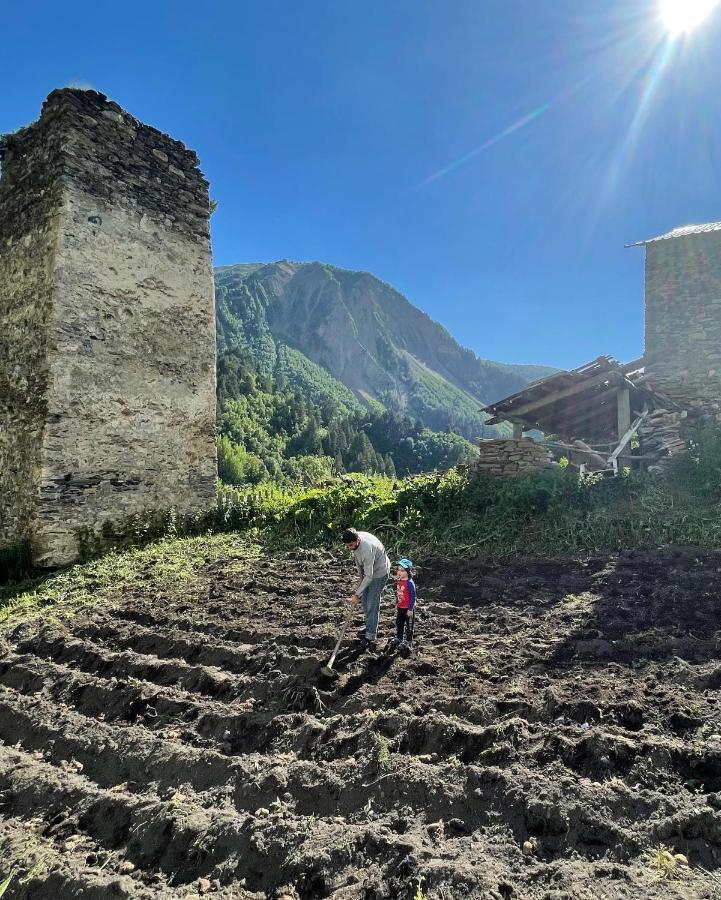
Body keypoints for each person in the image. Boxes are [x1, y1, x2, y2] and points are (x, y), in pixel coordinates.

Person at [341, 527, 390, 646]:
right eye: (347, 546)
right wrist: (358, 592)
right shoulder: (354, 541)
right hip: (368, 572)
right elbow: (362, 573)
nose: (349, 548)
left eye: (351, 545)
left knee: (371, 603)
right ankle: (369, 626)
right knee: (364, 603)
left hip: (379, 573)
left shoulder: (367, 549)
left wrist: (357, 594)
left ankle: (370, 635)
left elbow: (369, 576)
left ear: (357, 540)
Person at [393, 558, 416, 654]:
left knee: (409, 625)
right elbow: (398, 593)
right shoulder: (399, 581)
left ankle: (408, 641)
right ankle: (399, 638)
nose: (399, 572)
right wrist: (396, 603)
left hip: (408, 608)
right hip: (400, 607)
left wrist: (410, 609)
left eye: (402, 570)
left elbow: (413, 596)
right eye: (398, 569)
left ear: (408, 572)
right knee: (399, 623)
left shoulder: (410, 583)